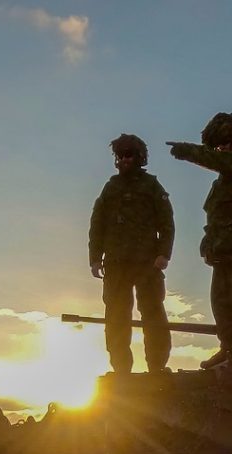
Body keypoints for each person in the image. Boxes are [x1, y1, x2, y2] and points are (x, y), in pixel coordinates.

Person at [168, 112, 232, 368]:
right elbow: (216, 216)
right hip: (225, 248)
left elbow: (217, 160)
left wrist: (188, 151)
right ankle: (228, 348)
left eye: (224, 144)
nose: (221, 150)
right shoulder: (224, 181)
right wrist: (208, 243)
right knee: (221, 300)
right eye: (219, 146)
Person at [88, 133, 176, 373]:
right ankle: (121, 370)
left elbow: (166, 222)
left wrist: (164, 254)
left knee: (153, 314)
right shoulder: (110, 188)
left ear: (139, 157)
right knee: (116, 317)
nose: (124, 160)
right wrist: (95, 258)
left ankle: (157, 367)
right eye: (120, 155)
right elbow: (97, 224)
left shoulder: (152, 186)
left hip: (147, 263)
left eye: (129, 155)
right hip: (116, 264)